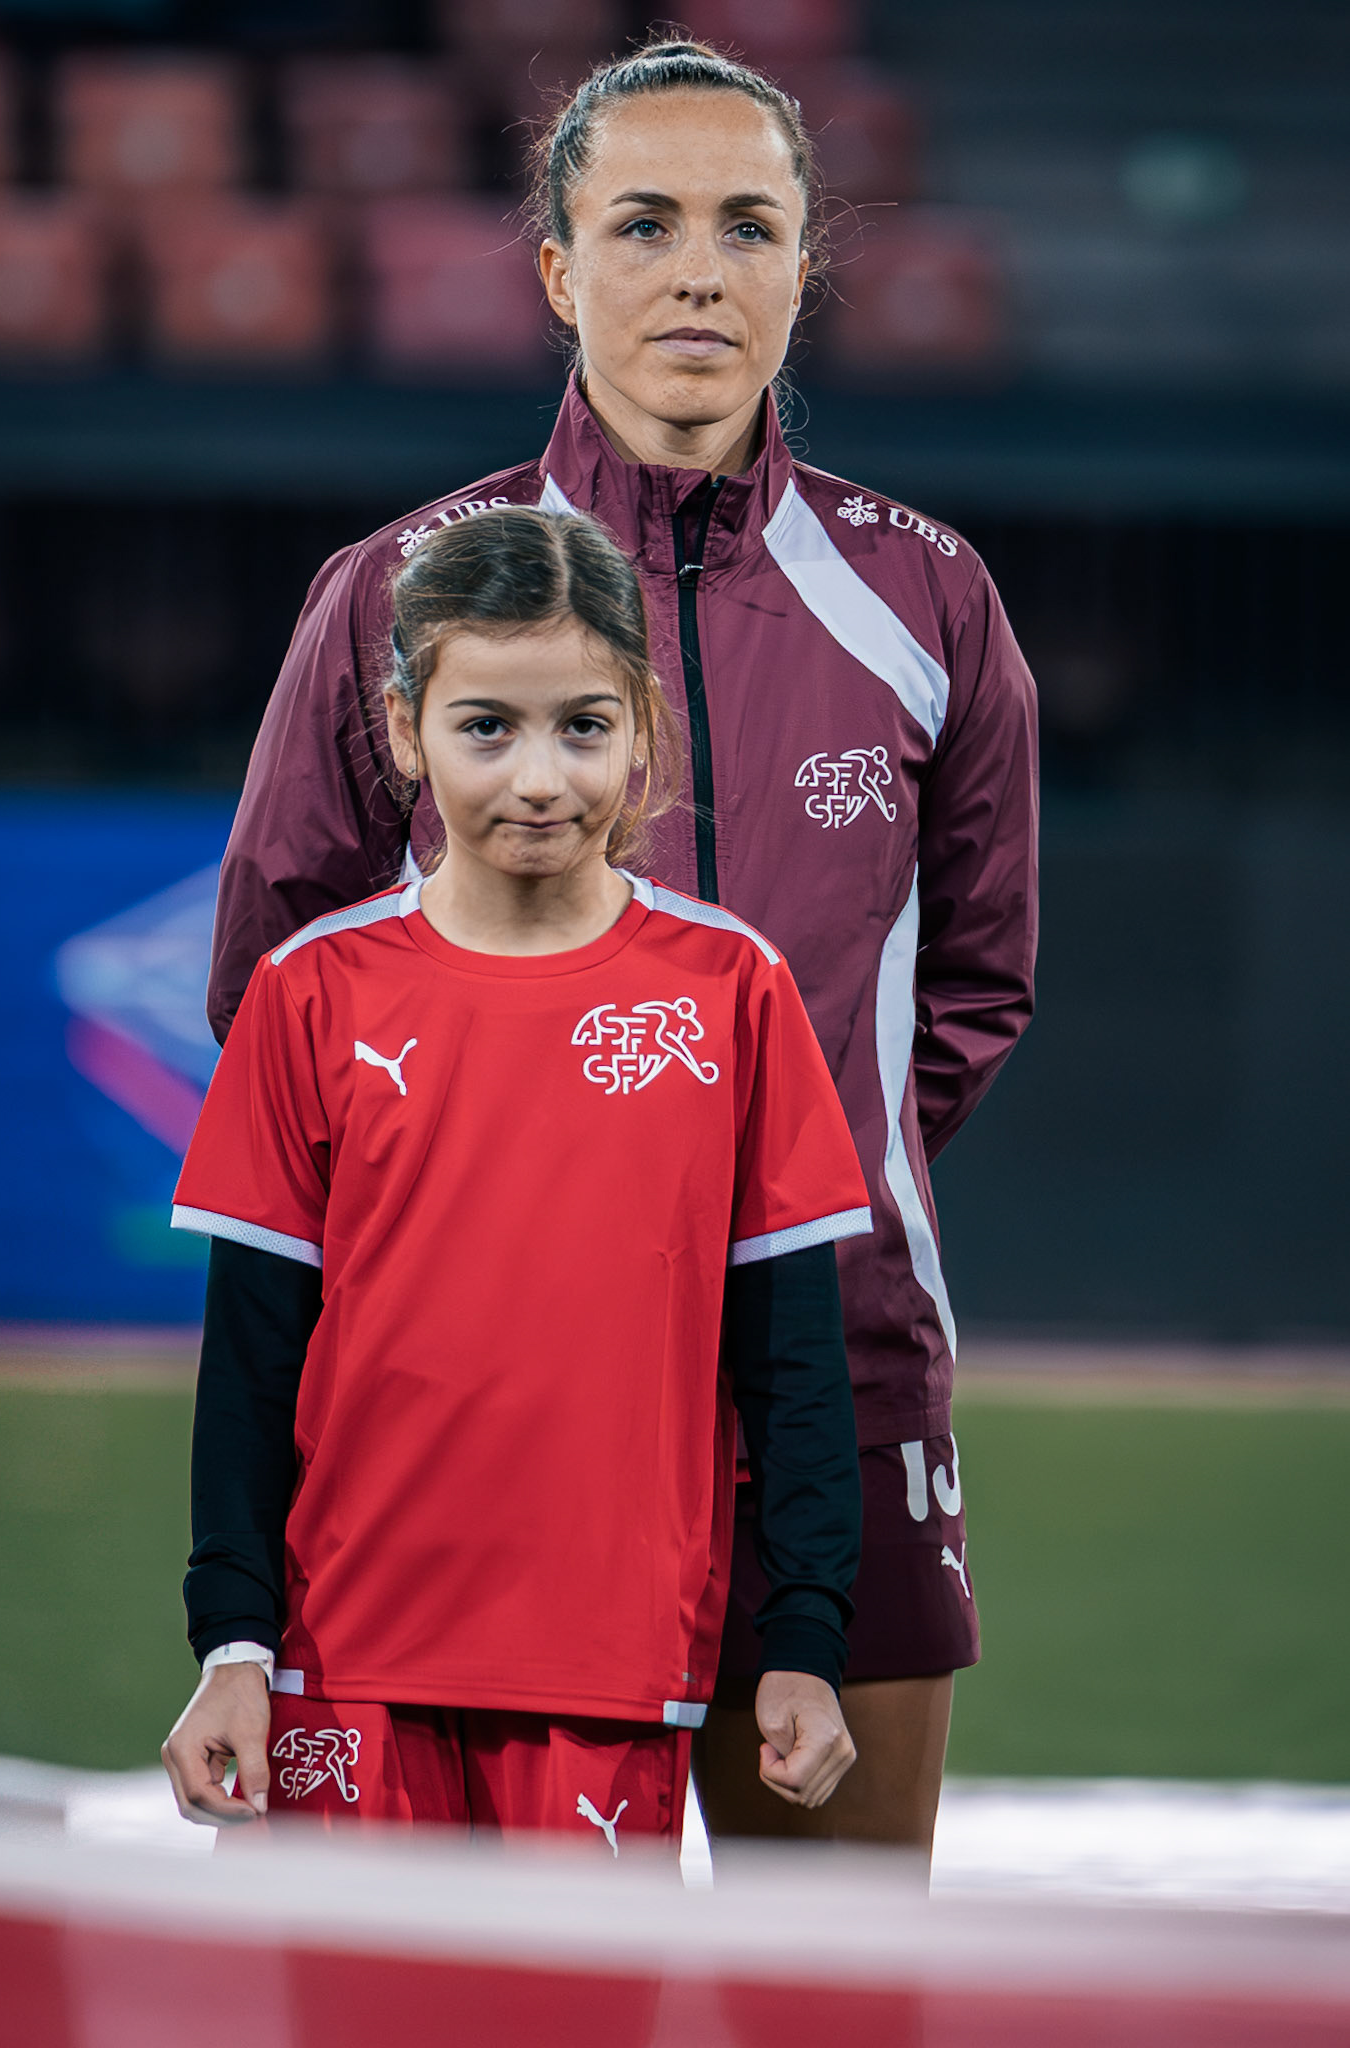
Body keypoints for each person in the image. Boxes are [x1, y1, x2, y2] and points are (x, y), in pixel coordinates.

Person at [204, 41, 1039, 1852]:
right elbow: (277, 984)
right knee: (465, 1989)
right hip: (481, 1403)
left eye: (749, 226)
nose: (697, 270)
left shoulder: (927, 601)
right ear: (559, 269)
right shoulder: (398, 592)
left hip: (845, 1352)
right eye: (642, 222)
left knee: (826, 1977)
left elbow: (971, 985)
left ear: (804, 269)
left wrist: (761, 1205)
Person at [161, 506, 870, 1847]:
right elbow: (250, 1363)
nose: (538, 777)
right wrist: (230, 1646)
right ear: (400, 728)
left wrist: (805, 1636)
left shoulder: (733, 990)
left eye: (583, 727)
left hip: (609, 1670)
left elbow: (794, 1364)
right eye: (485, 726)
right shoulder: (309, 993)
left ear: (645, 726)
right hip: (341, 1671)